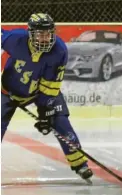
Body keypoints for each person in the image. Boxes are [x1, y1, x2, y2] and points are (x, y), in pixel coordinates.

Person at [1, 13, 93, 181]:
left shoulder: (59, 50)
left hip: (40, 91)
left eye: (48, 34)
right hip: (7, 91)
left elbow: (51, 86)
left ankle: (80, 164)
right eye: (40, 34)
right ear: (31, 33)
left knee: (61, 121)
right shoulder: (15, 38)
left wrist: (45, 111)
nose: (45, 38)